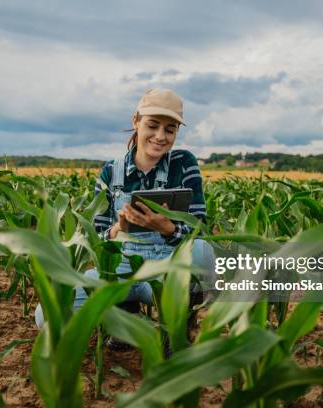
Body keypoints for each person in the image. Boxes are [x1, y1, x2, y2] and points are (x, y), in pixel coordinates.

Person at [35, 88, 215, 330]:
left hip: (167, 268)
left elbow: (198, 227)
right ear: (136, 121)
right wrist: (118, 228)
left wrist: (167, 228)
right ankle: (125, 317)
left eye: (169, 129)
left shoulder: (184, 164)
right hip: (120, 268)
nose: (160, 136)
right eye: (153, 125)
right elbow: (95, 239)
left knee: (203, 251)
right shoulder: (111, 171)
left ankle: (177, 320)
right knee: (47, 315)